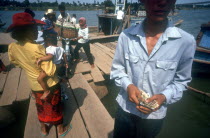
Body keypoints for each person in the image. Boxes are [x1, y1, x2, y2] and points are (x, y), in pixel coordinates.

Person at [110, 0, 196, 138]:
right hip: (125, 109)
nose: (161, 3)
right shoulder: (126, 36)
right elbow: (117, 69)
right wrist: (128, 86)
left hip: (154, 116)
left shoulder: (186, 41)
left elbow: (182, 81)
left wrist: (164, 96)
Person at [7, 12, 71, 136]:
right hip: (50, 83)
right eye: (35, 28)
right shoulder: (36, 48)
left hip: (34, 85)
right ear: (28, 31)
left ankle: (43, 129)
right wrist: (59, 65)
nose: (38, 31)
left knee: (41, 106)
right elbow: (50, 70)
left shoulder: (12, 47)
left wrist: (29, 66)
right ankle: (61, 129)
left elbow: (16, 63)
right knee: (55, 106)